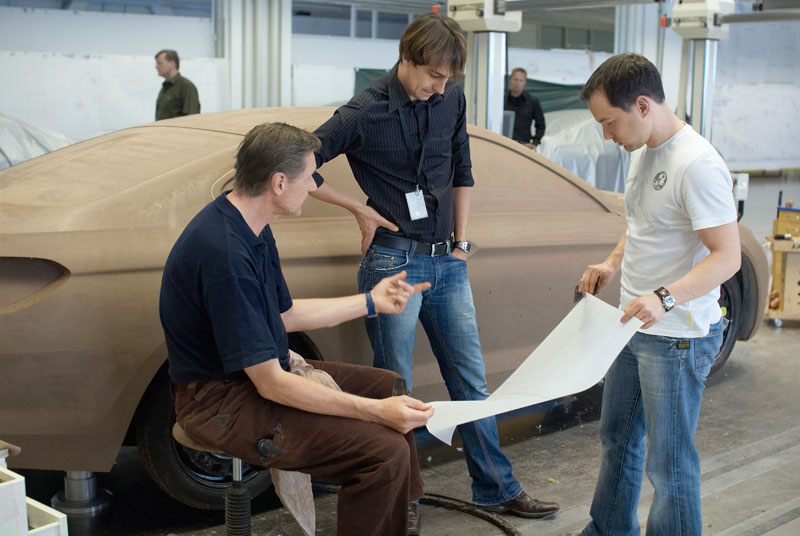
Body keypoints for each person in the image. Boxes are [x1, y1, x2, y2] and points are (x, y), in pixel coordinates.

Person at [309, 13, 560, 523]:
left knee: (470, 380)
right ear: (407, 59)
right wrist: (356, 207)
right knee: (395, 389)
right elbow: (299, 164)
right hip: (392, 262)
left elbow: (463, 167)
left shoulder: (450, 99)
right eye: (434, 78)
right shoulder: (363, 112)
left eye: (448, 80)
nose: (440, 88)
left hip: (447, 261)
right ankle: (404, 498)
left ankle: (495, 486)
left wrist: (462, 245)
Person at [159, 122, 434, 536]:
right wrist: (377, 415)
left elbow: (283, 316)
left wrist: (371, 301)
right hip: (218, 402)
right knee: (385, 450)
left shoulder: (251, 225)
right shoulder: (226, 254)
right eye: (309, 177)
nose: (313, 186)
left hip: (250, 379)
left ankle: (397, 514)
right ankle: (387, 503)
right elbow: (270, 384)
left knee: (388, 386)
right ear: (279, 182)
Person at [577, 54, 741, 535]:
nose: (607, 135)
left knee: (669, 465)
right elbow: (643, 223)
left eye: (610, 122)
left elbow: (726, 257)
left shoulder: (698, 164)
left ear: (643, 105)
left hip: (676, 336)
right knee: (618, 439)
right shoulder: (643, 150)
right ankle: (609, 530)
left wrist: (664, 297)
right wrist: (612, 263)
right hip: (634, 326)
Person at [504, 67, 545, 149]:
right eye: (515, 79)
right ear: (510, 80)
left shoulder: (532, 101)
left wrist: (534, 143)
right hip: (504, 144)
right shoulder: (501, 100)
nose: (517, 83)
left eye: (520, 80)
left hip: (524, 146)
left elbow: (541, 125)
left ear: (524, 82)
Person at [154, 49, 200, 120]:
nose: (156, 67)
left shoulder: (186, 86)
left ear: (172, 63)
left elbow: (192, 118)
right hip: (161, 130)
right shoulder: (165, 87)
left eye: (159, 63)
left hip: (176, 131)